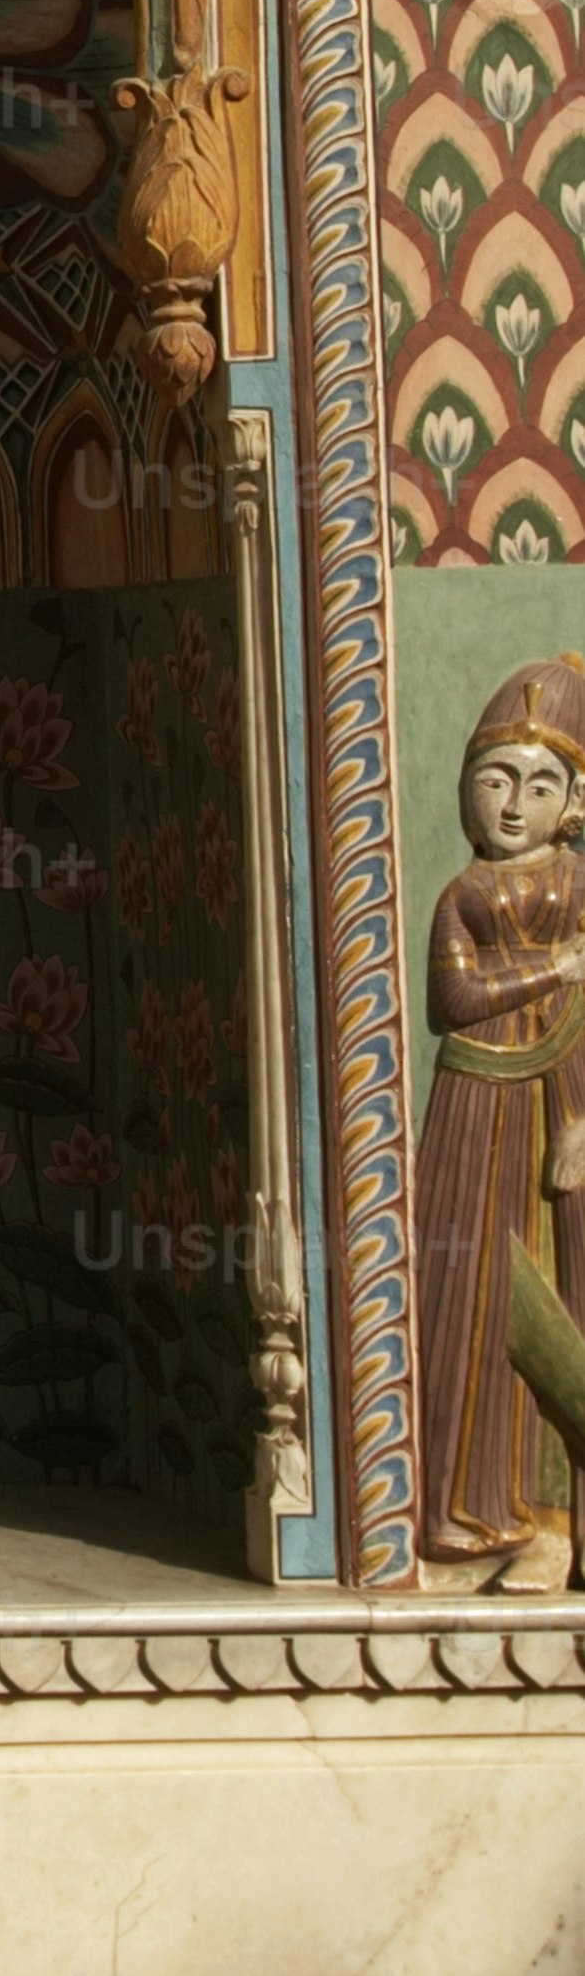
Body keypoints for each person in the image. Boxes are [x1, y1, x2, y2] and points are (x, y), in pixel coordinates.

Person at [416, 655, 585, 1585]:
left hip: (565, 1107)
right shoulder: (462, 897)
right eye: (495, 780)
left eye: (539, 785)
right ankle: (482, 1511)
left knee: (566, 1298)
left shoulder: (579, 887)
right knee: (472, 1302)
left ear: (572, 802)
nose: (514, 806)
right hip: (475, 1111)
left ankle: (561, 1524)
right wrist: (555, 968)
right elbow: (453, 1000)